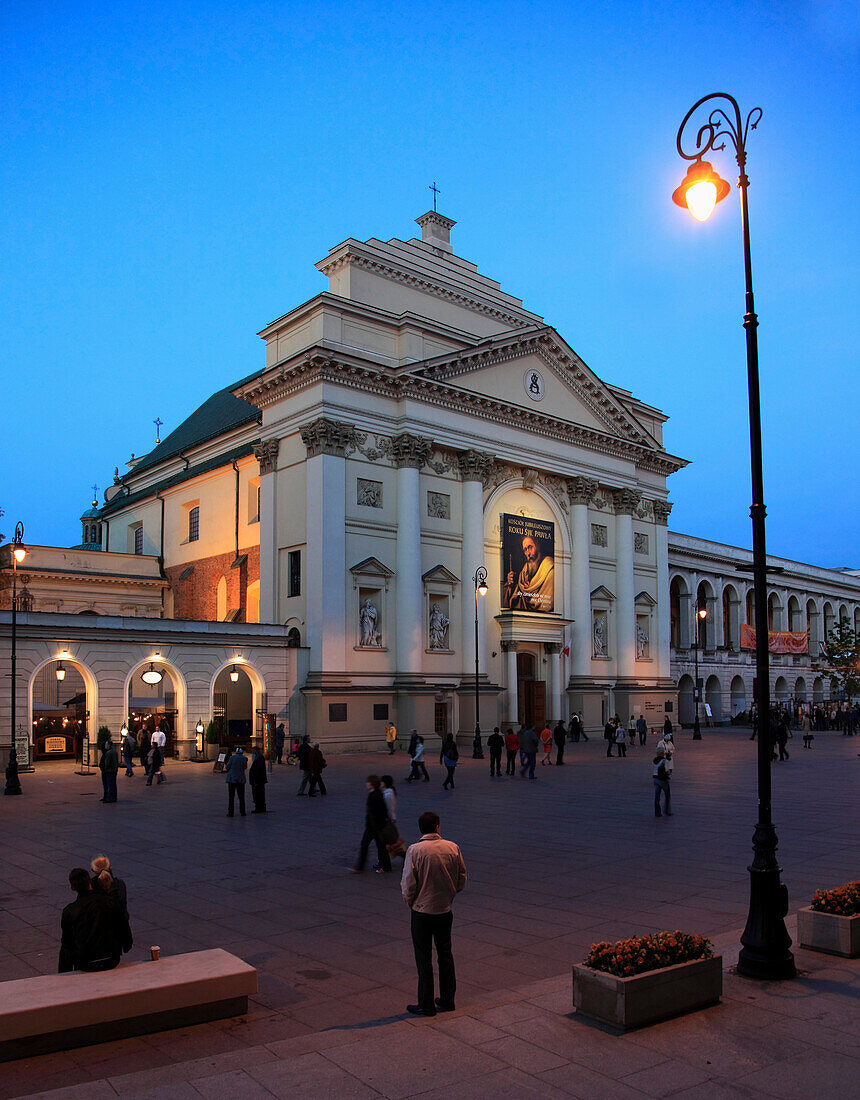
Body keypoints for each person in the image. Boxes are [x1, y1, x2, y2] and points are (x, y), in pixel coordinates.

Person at [401, 810, 466, 1017]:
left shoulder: (415, 850)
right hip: (444, 910)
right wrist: (450, 895)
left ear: (421, 829)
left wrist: (411, 902)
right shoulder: (452, 847)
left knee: (424, 957)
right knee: (445, 954)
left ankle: (426, 1003)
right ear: (438, 827)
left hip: (422, 911)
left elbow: (408, 883)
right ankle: (448, 999)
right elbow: (461, 878)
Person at [58, 867, 132, 973]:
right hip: (111, 958)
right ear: (90, 883)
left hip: (86, 962)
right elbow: (123, 926)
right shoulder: (110, 902)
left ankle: (64, 974)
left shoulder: (70, 911)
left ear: (72, 887)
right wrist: (125, 945)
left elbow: (67, 942)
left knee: (65, 946)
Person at [351, 774, 391, 874]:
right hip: (377, 825)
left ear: (372, 784)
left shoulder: (374, 795)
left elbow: (377, 812)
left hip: (374, 826)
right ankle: (386, 866)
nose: (366, 784)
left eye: (368, 782)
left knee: (366, 845)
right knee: (381, 846)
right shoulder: (378, 794)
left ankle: (360, 866)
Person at [503, 535, 554, 612]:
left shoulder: (550, 570)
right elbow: (513, 601)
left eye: (530, 547)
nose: (528, 553)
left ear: (538, 546)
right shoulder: (524, 572)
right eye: (525, 550)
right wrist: (510, 585)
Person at [380, 775, 406, 861]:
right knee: (391, 841)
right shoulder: (388, 793)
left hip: (388, 820)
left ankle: (403, 855)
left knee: (390, 841)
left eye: (381, 782)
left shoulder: (388, 795)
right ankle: (403, 855)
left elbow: (389, 808)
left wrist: (390, 818)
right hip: (388, 819)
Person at [224, 745, 248, 817]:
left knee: (231, 796)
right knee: (241, 796)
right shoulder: (244, 759)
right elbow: (245, 767)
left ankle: (231, 812)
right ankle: (242, 811)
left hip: (232, 779)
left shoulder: (232, 758)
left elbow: (227, 766)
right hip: (241, 779)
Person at [653, 747, 672, 817]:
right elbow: (668, 771)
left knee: (657, 797)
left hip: (655, 779)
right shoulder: (664, 761)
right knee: (667, 795)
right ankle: (667, 810)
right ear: (662, 753)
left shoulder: (654, 760)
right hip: (663, 780)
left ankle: (657, 812)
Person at [99, 737, 119, 803]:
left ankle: (109, 797)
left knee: (109, 784)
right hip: (114, 770)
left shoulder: (108, 753)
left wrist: (105, 768)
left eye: (106, 745)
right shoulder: (115, 752)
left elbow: (107, 763)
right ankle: (112, 797)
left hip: (109, 771)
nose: (105, 746)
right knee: (113, 784)